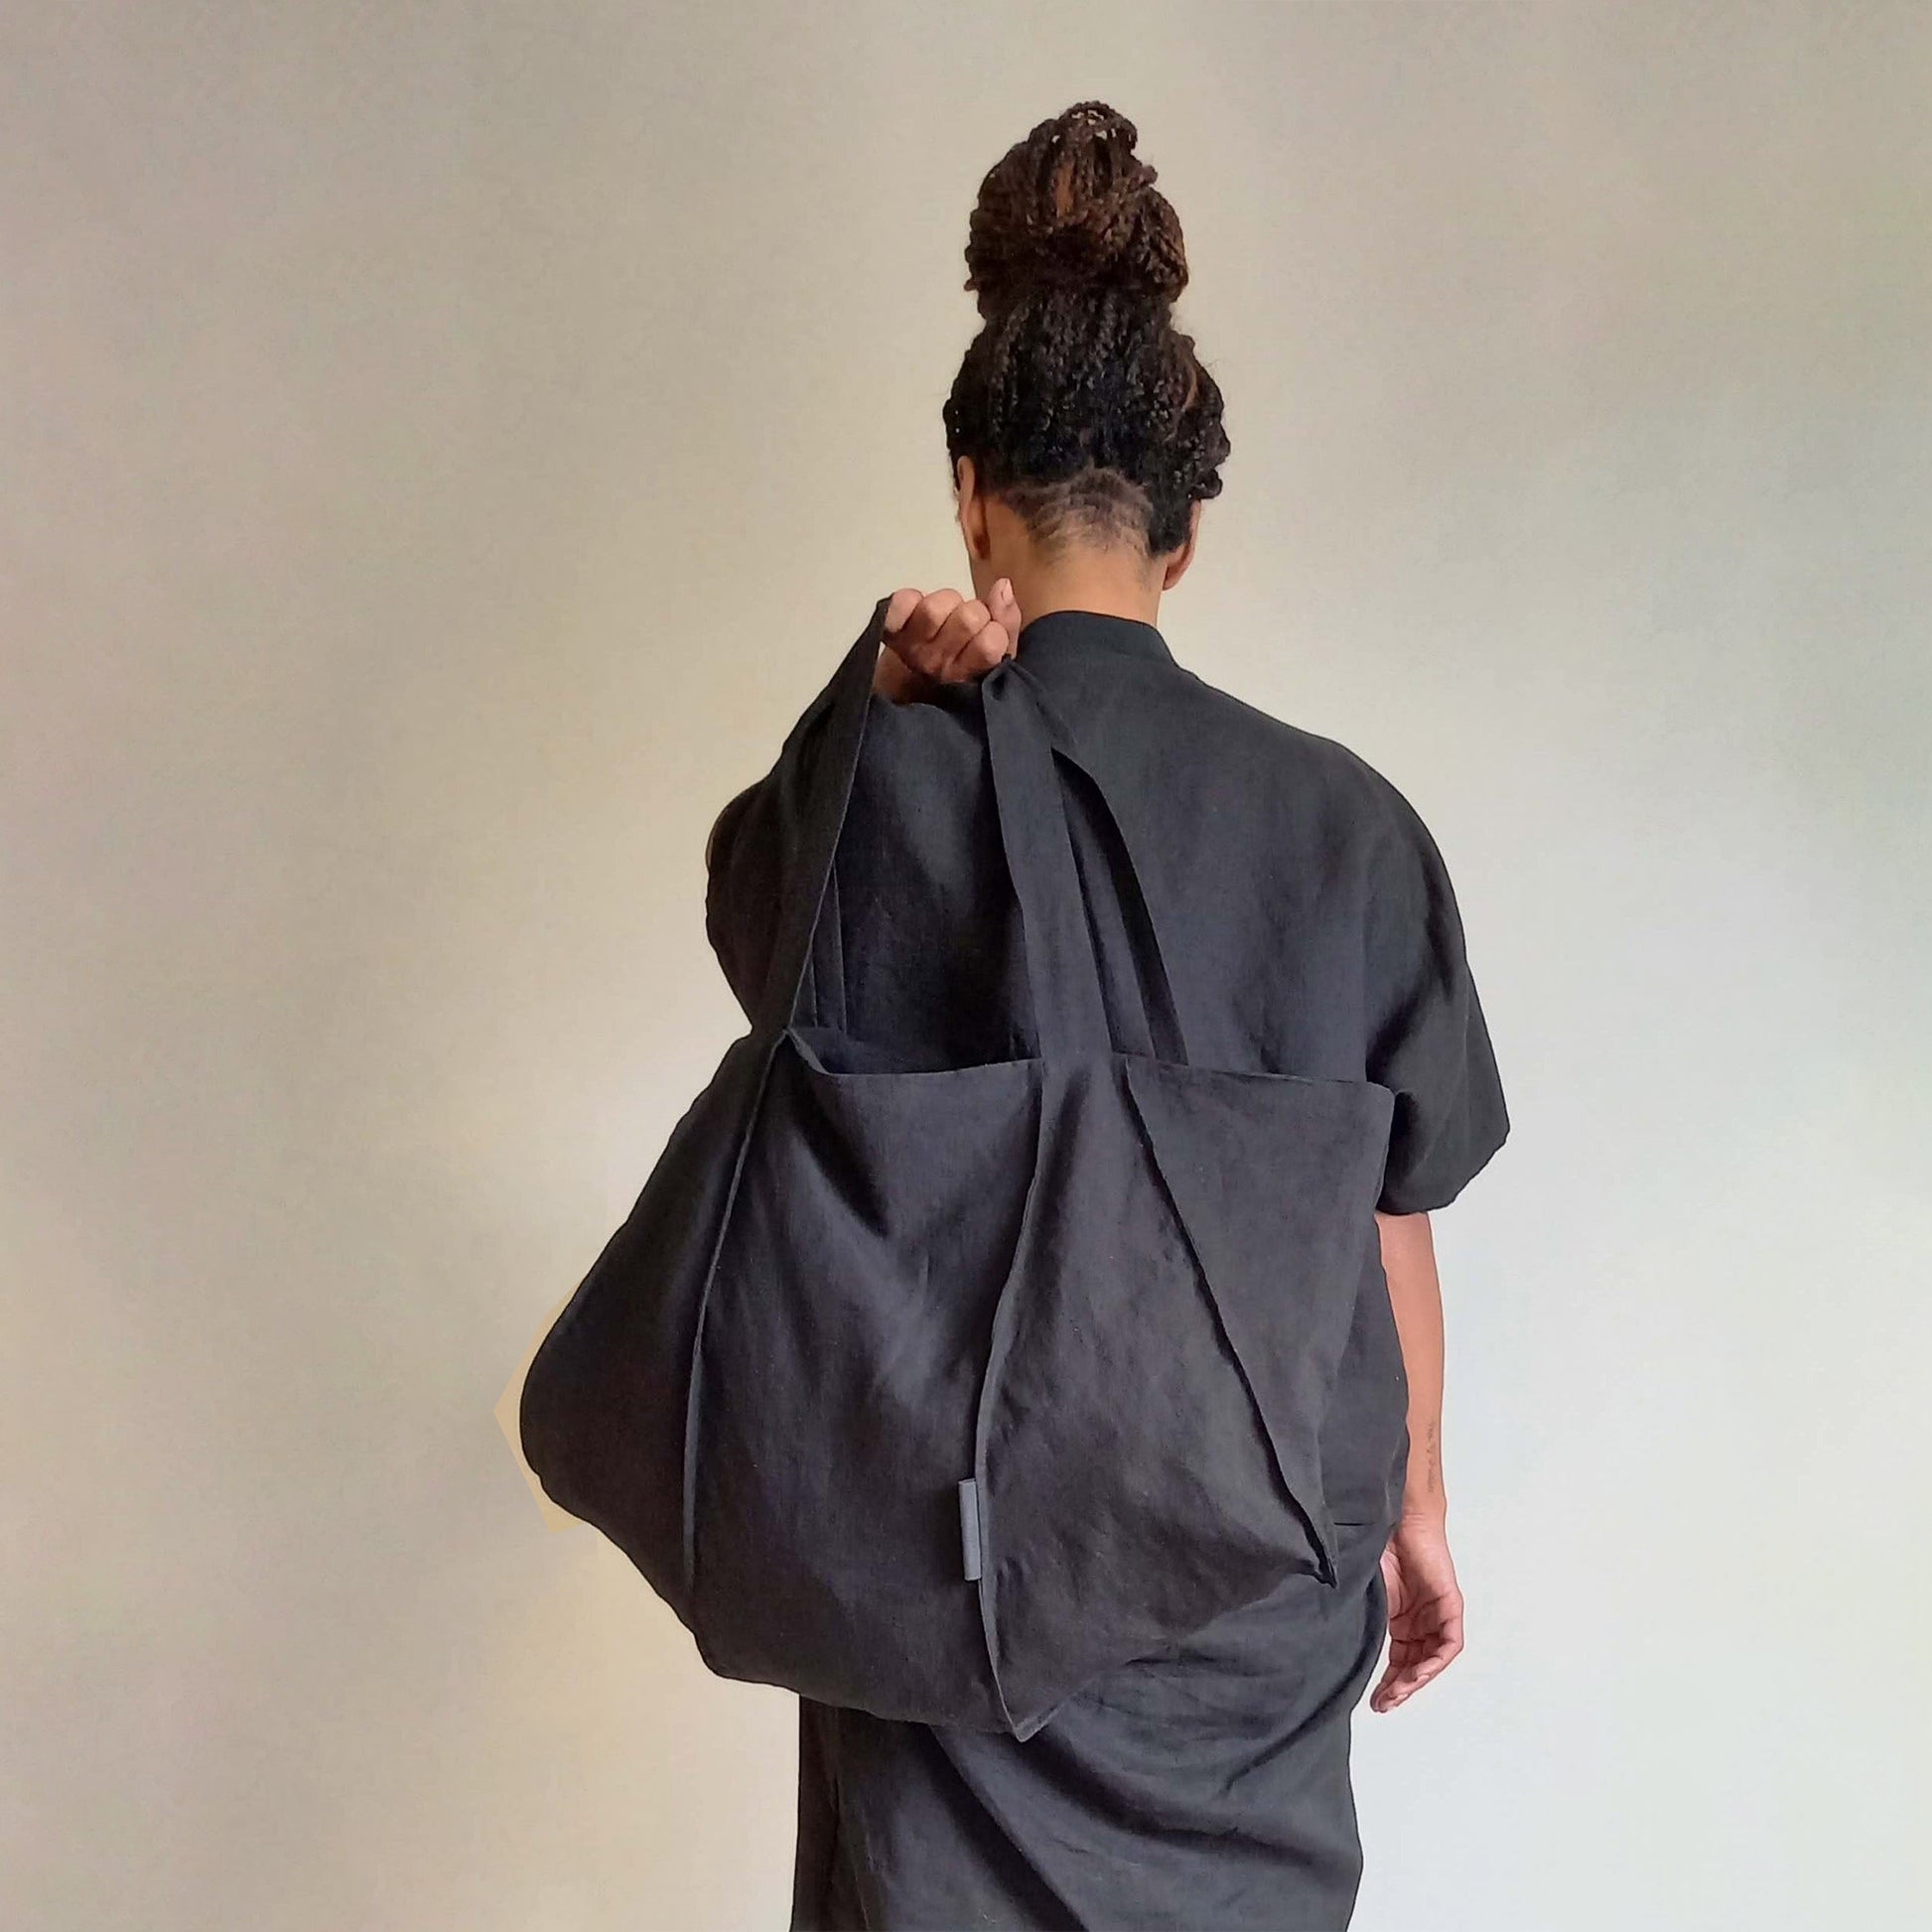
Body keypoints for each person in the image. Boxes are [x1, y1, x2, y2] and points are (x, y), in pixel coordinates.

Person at [705, 100, 1509, 1932]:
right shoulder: (1350, 826)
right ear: (1185, 533)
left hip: (956, 1583)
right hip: (1254, 1584)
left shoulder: (888, 791)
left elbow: (759, 946)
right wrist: (1419, 1506)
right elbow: (1393, 1204)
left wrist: (877, 712)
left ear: (967, 497)